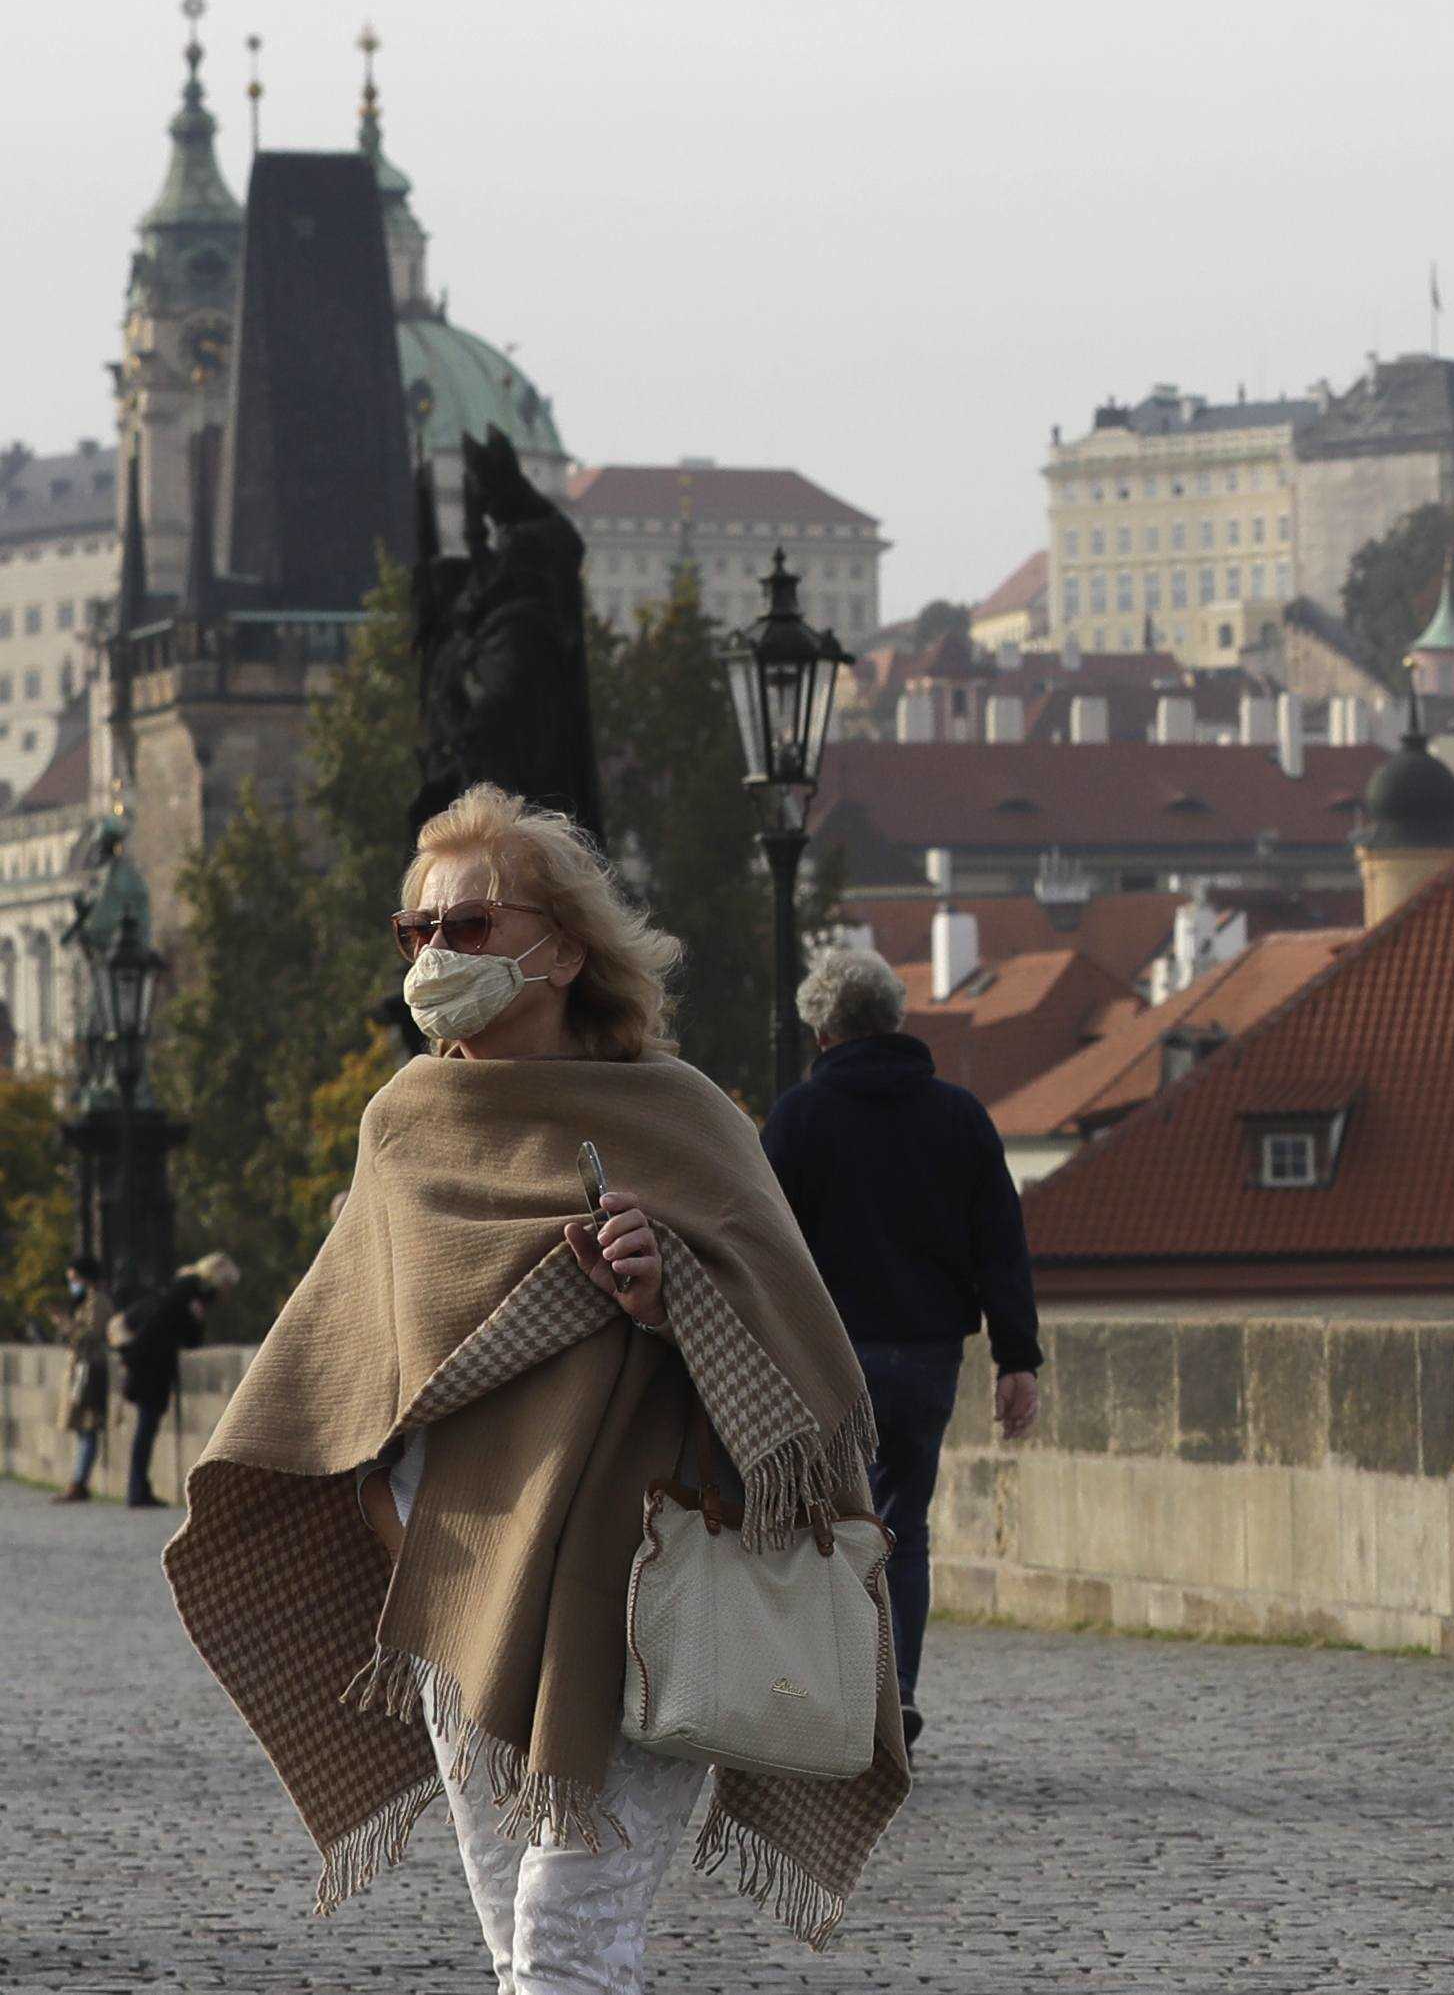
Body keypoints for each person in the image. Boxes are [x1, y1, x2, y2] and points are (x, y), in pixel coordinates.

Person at [163, 784, 906, 1987]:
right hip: (465, 1584)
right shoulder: (404, 1125)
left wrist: (676, 1296)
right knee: (518, 1937)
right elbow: (353, 1365)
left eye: (467, 927)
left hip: (647, 1586)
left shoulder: (685, 1117)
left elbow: (804, 1363)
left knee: (566, 1942)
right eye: (418, 932)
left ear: (561, 949)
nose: (434, 955)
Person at [759, 941, 1042, 1740]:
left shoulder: (799, 1118)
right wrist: (1016, 1358)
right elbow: (1001, 1245)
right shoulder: (959, 1115)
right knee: (901, 1526)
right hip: (925, 1354)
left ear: (821, 1034)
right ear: (897, 1019)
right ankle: (899, 1687)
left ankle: (830, 1691)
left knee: (817, 1524)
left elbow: (766, 1246)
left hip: (824, 1354)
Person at [112, 1250, 233, 1507]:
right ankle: (137, 1490)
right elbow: (191, 1336)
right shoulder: (192, 1292)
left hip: (147, 1361)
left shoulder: (182, 1287)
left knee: (146, 1428)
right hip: (152, 1364)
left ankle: (139, 1487)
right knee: (146, 1427)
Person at [46, 1255, 114, 1503]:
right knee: (82, 1427)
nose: (72, 1284)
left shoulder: (97, 1302)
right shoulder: (89, 1300)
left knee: (87, 1425)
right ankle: (78, 1479)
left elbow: (91, 1334)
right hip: (82, 1368)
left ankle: (79, 1482)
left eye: (74, 1279)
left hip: (89, 1369)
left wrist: (64, 1323)